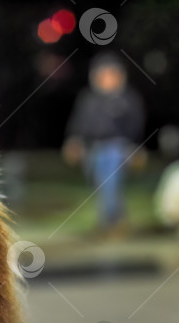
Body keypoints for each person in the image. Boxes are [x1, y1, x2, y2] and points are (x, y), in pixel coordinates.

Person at [63, 52, 145, 236]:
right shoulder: (88, 100)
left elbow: (136, 127)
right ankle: (118, 218)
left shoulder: (129, 99)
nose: (107, 79)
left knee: (109, 170)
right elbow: (78, 125)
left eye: (111, 74)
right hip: (93, 149)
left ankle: (108, 221)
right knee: (104, 181)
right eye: (103, 74)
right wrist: (73, 143)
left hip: (119, 150)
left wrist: (136, 149)